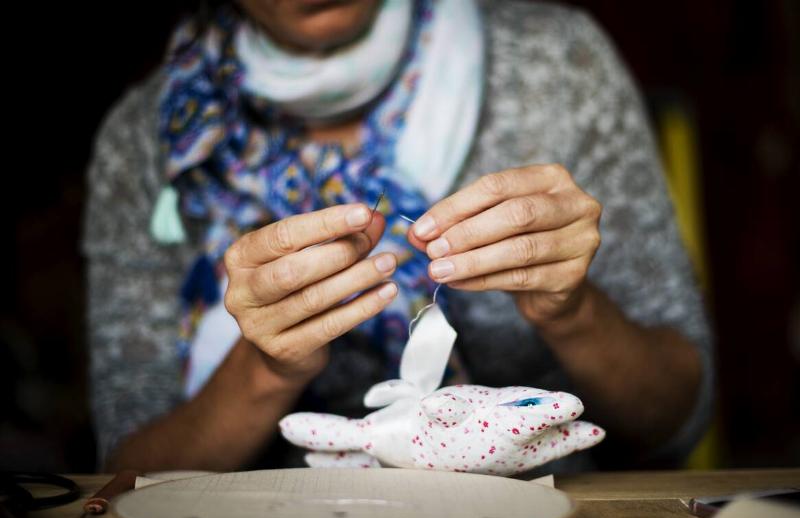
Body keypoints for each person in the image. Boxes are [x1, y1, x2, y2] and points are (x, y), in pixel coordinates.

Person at [84, 0, 712, 473]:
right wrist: (267, 368)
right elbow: (126, 475)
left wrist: (573, 314)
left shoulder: (557, 64)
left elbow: (676, 424)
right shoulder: (147, 143)